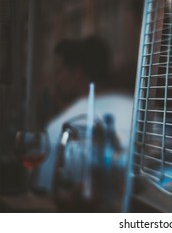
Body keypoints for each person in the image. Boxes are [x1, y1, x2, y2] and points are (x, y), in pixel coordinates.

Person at [35, 36, 133, 195]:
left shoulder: (58, 128)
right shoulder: (137, 109)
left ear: (77, 73)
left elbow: (44, 192)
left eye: (60, 72)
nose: (57, 79)